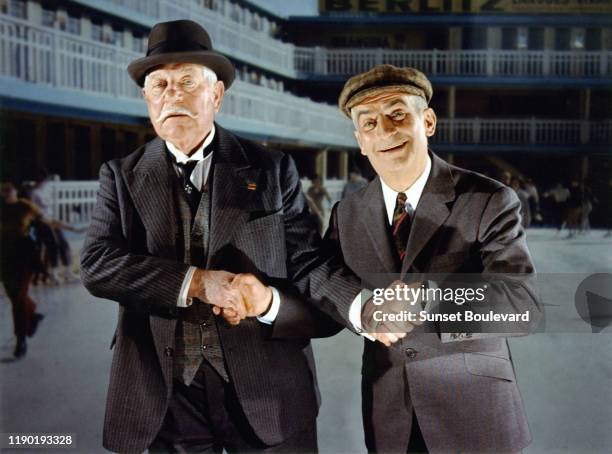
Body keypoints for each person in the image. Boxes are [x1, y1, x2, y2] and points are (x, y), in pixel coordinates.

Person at [80, 19, 377, 454]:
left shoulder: (271, 169)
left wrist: (363, 307)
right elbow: (97, 263)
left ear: (216, 95)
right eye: (159, 85)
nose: (172, 95)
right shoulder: (121, 176)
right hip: (167, 394)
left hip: (266, 389)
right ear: (146, 99)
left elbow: (309, 261)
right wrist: (197, 282)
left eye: (186, 82)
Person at [233, 64, 540, 453]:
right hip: (391, 419)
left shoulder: (488, 199)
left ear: (427, 121)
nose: (386, 131)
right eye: (370, 122)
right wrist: (268, 303)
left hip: (474, 416)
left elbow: (521, 304)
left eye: (398, 114)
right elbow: (332, 303)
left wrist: (425, 299)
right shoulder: (347, 213)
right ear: (360, 140)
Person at [0, 183, 47, 357]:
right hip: (5, 258)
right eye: (3, 189)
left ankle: (21, 340)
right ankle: (33, 314)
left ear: (15, 191)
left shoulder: (25, 205)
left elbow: (45, 221)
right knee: (14, 296)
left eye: (9, 189)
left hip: (24, 257)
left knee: (19, 298)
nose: (6, 192)